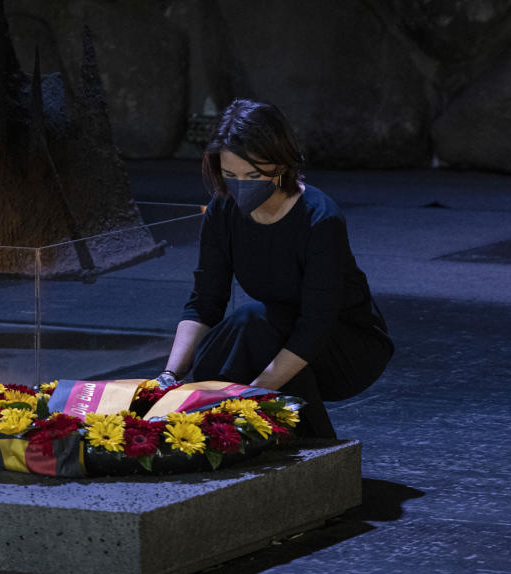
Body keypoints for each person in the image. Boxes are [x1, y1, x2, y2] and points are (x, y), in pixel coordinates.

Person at [156, 99, 394, 438]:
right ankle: (229, 438)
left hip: (344, 344)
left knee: (251, 323)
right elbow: (205, 300)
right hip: (274, 333)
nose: (240, 185)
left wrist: (250, 396)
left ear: (281, 163)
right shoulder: (223, 211)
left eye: (253, 175)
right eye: (229, 175)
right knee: (218, 352)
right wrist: (169, 376)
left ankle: (315, 445)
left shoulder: (319, 218)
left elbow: (316, 324)